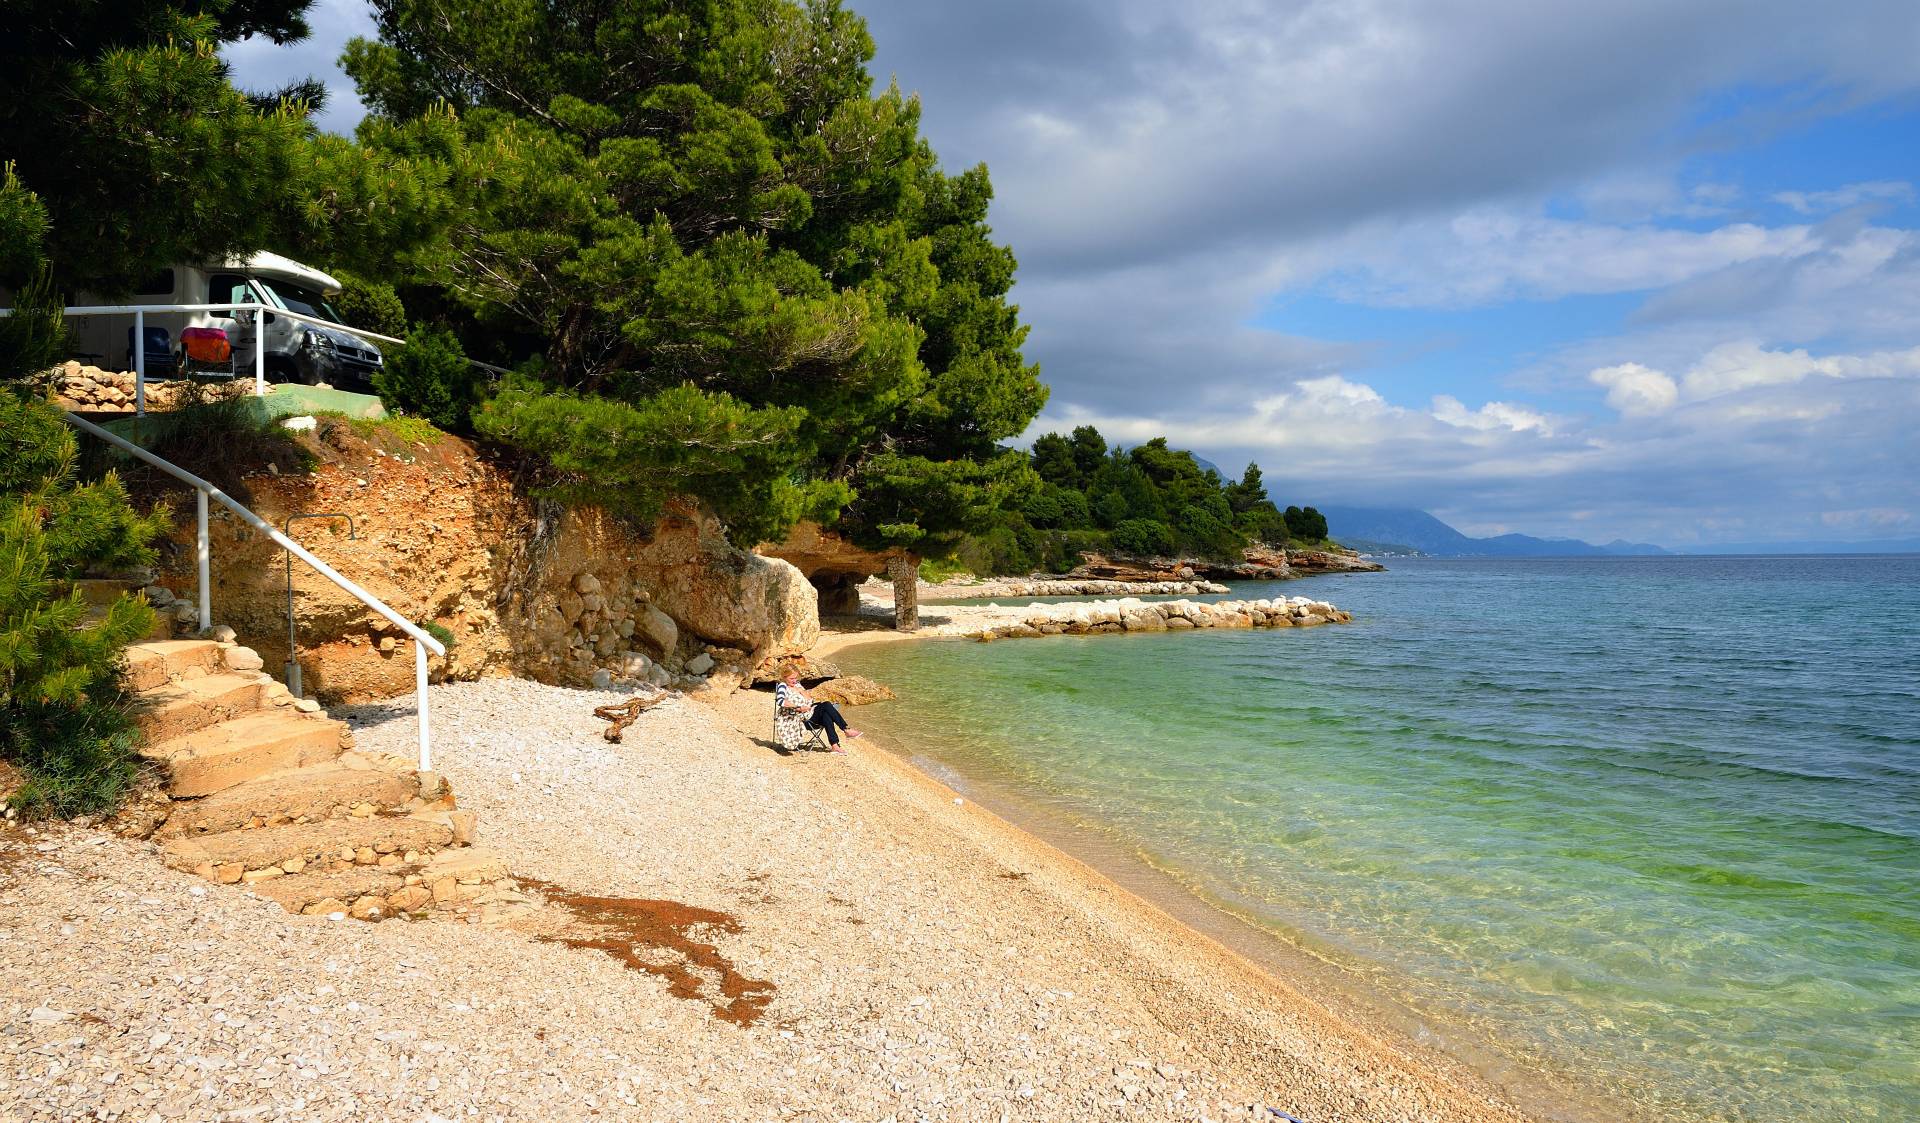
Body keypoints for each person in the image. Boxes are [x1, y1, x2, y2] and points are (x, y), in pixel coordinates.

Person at [776, 667, 861, 752]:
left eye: (795, 678)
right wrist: (798, 707)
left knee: (826, 715)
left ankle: (835, 746)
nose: (794, 681)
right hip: (800, 719)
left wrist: (801, 691)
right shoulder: (783, 686)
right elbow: (780, 701)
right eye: (791, 678)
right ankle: (846, 729)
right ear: (784, 677)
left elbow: (809, 699)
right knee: (826, 705)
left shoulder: (797, 685)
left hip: (809, 713)